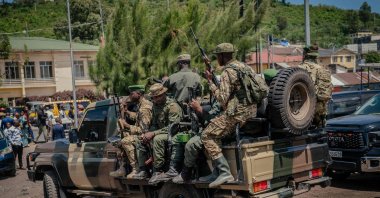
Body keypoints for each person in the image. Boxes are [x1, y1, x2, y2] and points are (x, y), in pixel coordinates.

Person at [201, 43, 257, 187]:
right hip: (250, 111)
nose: (216, 59)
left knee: (207, 135)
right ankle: (218, 171)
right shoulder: (245, 67)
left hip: (237, 113)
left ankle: (225, 172)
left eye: (217, 56)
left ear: (222, 56)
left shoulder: (228, 72)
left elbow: (221, 99)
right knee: (215, 130)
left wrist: (210, 82)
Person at [140, 83, 183, 184]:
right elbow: (154, 123)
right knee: (140, 139)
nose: (156, 99)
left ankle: (158, 170)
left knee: (157, 139)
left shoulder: (172, 106)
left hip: (174, 133)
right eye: (154, 97)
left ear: (164, 94)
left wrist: (153, 133)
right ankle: (143, 170)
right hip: (162, 132)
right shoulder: (156, 106)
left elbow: (173, 127)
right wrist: (148, 133)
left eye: (158, 96)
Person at [172, 98, 221, 184]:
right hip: (210, 127)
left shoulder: (222, 95)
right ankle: (174, 168)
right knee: (178, 138)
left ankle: (186, 173)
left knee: (191, 144)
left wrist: (199, 108)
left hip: (217, 128)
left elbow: (213, 118)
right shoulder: (217, 95)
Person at [110, 85, 153, 179]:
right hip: (144, 134)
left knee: (125, 141)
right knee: (120, 139)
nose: (130, 95)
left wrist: (127, 126)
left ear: (139, 94)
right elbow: (138, 117)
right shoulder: (142, 105)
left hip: (147, 136)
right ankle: (123, 168)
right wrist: (126, 112)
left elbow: (144, 129)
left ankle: (136, 169)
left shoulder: (144, 108)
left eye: (132, 93)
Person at [299, 45, 333, 128]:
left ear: (305, 55)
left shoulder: (298, 69)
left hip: (300, 111)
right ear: (316, 56)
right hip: (318, 111)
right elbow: (325, 94)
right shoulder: (322, 69)